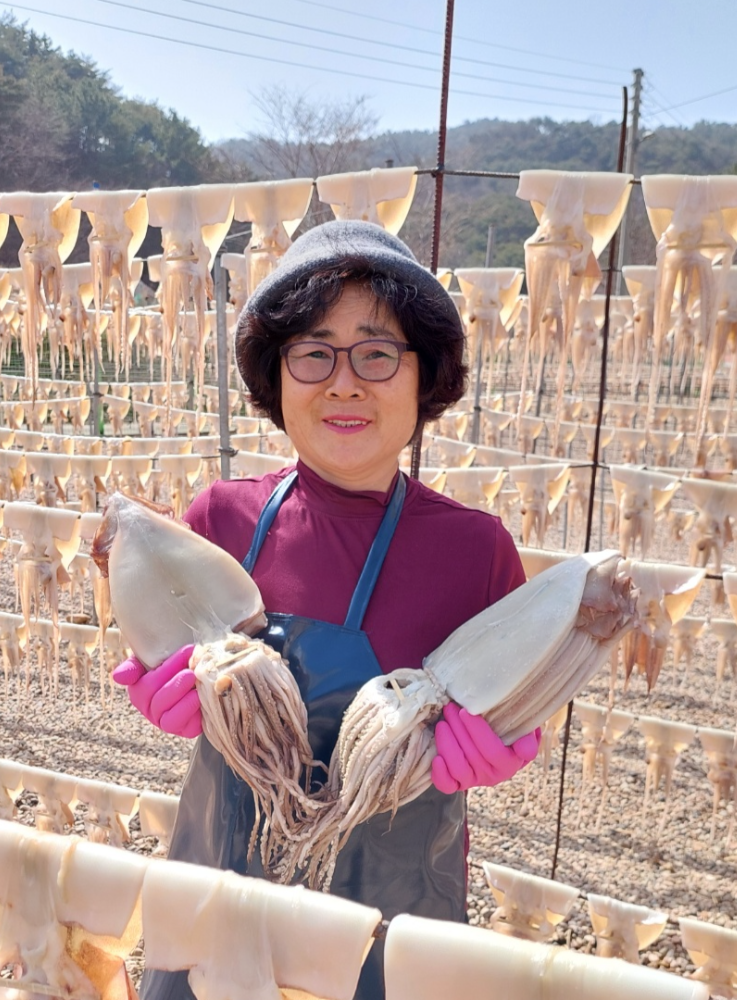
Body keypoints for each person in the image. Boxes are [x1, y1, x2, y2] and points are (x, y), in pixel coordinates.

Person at [114, 220, 541, 1000]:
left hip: (393, 906)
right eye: (313, 352)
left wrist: (505, 742)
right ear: (277, 377)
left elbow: (515, 700)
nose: (344, 383)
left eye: (377, 353)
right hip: (222, 877)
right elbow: (169, 650)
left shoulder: (476, 551)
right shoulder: (218, 521)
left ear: (425, 377)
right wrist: (167, 691)